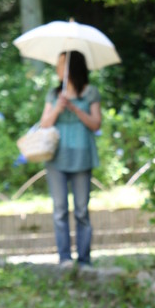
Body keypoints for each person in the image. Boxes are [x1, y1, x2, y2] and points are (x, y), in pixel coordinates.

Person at [40, 50, 102, 267]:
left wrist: (75, 108)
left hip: (82, 156)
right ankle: (64, 258)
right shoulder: (54, 93)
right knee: (59, 209)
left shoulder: (90, 92)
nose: (57, 69)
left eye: (61, 65)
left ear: (72, 68)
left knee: (82, 210)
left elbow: (96, 124)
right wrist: (58, 107)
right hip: (57, 157)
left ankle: (84, 259)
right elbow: (44, 124)